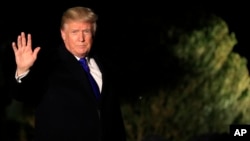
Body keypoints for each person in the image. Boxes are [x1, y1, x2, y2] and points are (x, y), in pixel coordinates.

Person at [7, 6, 126, 141]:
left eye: (86, 31)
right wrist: (23, 70)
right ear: (63, 34)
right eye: (74, 32)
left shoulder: (104, 64)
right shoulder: (49, 63)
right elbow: (21, 94)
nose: (81, 38)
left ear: (93, 33)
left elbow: (113, 114)